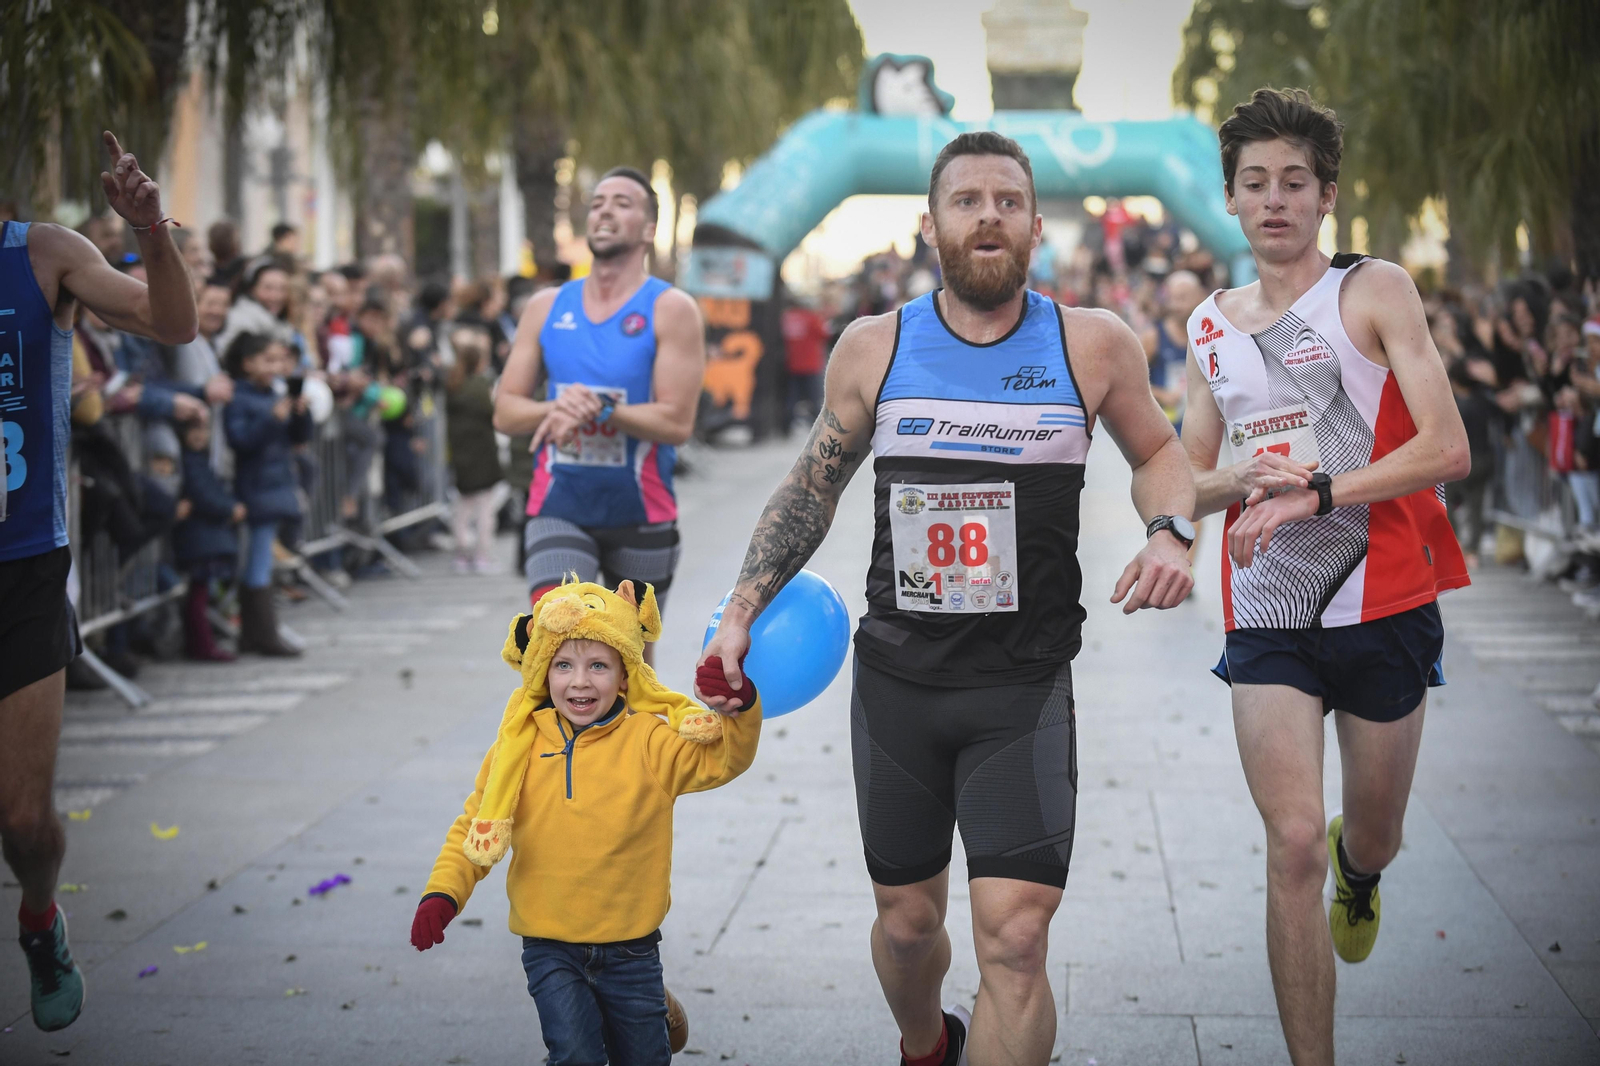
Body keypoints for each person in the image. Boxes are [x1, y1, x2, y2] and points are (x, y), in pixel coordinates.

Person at [698, 131, 1197, 1066]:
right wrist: (738, 611)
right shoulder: (875, 346)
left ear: (1038, 227)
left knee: (1015, 937)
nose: (988, 216)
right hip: (900, 686)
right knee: (908, 927)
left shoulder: (1091, 345)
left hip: (1024, 684)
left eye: (1007, 200)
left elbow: (1162, 455)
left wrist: (1170, 531)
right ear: (930, 226)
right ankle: (926, 1043)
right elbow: (811, 487)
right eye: (966, 200)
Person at [1181, 89, 1470, 1066]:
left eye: (1293, 182)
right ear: (1229, 198)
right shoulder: (1208, 327)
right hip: (1266, 606)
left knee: (1364, 837)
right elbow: (1190, 478)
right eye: (1254, 183)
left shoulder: (1374, 290)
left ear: (1325, 195)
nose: (1273, 200)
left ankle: (1366, 865)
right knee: (1291, 841)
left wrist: (1317, 487)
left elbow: (1447, 447)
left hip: (1384, 595)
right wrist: (1217, 499)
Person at [0, 131, 197, 1032]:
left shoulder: (43, 254)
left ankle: (40, 919)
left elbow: (173, 324)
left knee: (26, 822)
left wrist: (151, 229)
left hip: (22, 568)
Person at [411, 579, 761, 1064]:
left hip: (632, 949)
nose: (580, 681)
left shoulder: (649, 741)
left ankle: (656, 1006)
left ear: (624, 675)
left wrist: (740, 711)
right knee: (574, 1054)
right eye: (563, 665)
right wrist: (443, 892)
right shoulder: (516, 750)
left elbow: (723, 760)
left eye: (598, 665)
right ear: (541, 673)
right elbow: (474, 824)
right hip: (549, 945)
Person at [493, 167, 707, 660]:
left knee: (630, 662)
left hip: (642, 513)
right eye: (597, 202)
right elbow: (505, 411)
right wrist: (557, 406)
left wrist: (605, 409)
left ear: (649, 229)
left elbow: (677, 422)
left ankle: (633, 740)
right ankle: (560, 741)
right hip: (558, 505)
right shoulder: (547, 306)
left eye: (623, 203)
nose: (605, 210)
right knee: (554, 645)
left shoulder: (671, 309)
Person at [223, 333, 310, 657]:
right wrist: (273, 420)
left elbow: (299, 439)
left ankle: (257, 632)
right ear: (247, 363)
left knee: (263, 557)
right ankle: (262, 633)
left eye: (279, 361)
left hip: (276, 483)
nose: (276, 368)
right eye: (268, 360)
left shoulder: (274, 394)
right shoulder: (240, 399)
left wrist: (300, 414)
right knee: (258, 558)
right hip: (256, 486)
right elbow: (241, 441)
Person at [173, 418, 245, 661]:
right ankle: (202, 646)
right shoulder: (190, 461)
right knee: (198, 593)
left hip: (204, 536)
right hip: (198, 538)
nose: (199, 435)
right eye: (193, 428)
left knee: (201, 592)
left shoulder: (199, 459)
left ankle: (203, 643)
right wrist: (229, 508)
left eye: (203, 429)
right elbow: (202, 494)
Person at [444, 326, 503, 572]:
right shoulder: (481, 386)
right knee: (484, 509)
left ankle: (461, 554)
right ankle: (481, 555)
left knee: (463, 507)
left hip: (460, 453)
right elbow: (493, 413)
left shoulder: (452, 385)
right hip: (482, 452)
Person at [781, 296, 830, 432]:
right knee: (815, 399)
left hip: (792, 364)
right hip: (811, 365)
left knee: (791, 399)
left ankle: (786, 428)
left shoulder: (787, 318)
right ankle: (819, 430)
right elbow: (824, 334)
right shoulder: (812, 318)